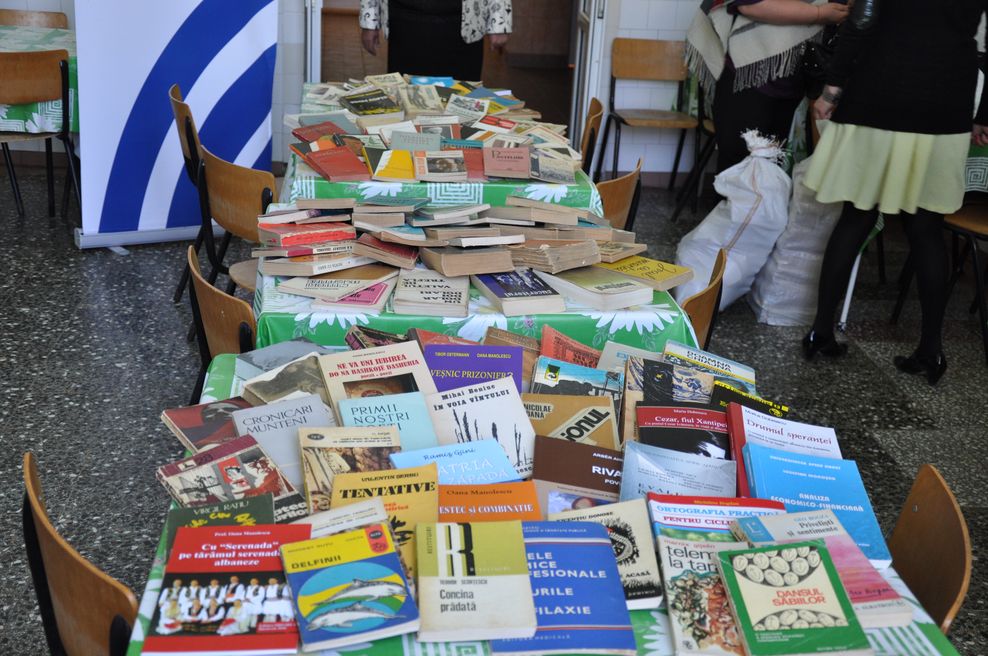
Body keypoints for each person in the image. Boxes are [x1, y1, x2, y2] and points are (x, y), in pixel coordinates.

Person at [803, 0, 988, 385]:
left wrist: (832, 88)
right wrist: (984, 114)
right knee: (927, 229)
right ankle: (931, 350)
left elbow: (861, 20)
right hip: (946, 100)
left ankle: (820, 333)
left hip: (878, 92)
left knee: (856, 217)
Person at [686, 0, 849, 173]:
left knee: (769, 169)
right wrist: (819, 13)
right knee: (738, 167)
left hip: (790, 77)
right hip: (749, 75)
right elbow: (750, 5)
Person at [359, 0, 512, 81]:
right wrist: (369, 21)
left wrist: (500, 21)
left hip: (464, 26)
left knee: (460, 102)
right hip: (405, 24)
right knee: (406, 102)